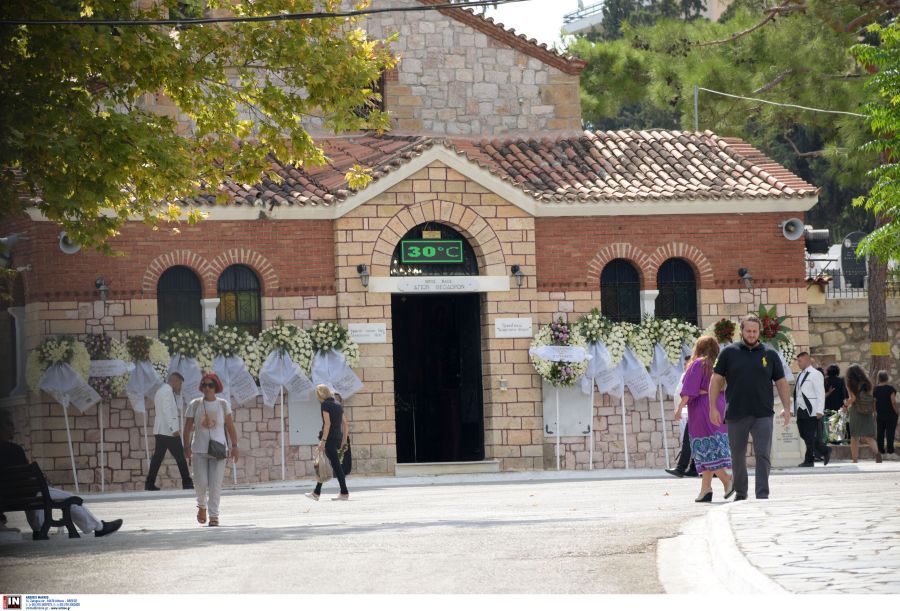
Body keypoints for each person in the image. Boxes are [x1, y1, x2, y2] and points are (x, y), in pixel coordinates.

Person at [709, 314, 792, 501]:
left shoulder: (770, 354)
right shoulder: (728, 353)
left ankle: (762, 494)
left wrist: (787, 408)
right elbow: (716, 380)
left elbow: (781, 382)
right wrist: (712, 407)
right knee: (738, 456)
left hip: (763, 414)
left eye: (755, 331)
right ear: (741, 331)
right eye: (748, 331)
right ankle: (741, 493)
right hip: (736, 413)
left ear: (759, 331)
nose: (752, 334)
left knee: (763, 454)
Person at [0, 410, 122, 537]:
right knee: (71, 499)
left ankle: (39, 529)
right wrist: (42, 480)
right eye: (9, 424)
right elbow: (27, 478)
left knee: (37, 495)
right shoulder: (15, 450)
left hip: (9, 497)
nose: (13, 427)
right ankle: (99, 527)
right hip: (28, 493)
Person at [675, 337, 733, 502]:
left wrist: (679, 407)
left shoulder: (699, 363)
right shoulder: (719, 364)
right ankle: (705, 489)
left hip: (703, 407)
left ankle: (727, 480)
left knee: (705, 447)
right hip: (720, 404)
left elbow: (689, 389)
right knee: (712, 444)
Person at [183, 373, 239, 526]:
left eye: (210, 385)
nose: (207, 388)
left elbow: (230, 426)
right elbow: (187, 428)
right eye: (204, 385)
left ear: (216, 387)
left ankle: (214, 515)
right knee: (201, 483)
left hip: (218, 450)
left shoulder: (223, 404)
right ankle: (202, 506)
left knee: (215, 485)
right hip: (199, 450)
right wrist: (186, 446)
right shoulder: (195, 404)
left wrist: (235, 446)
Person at [145, 372, 194, 491]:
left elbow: (168, 409)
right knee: (180, 457)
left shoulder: (161, 391)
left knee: (157, 458)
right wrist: (173, 429)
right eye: (180, 384)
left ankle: (149, 483)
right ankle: (187, 483)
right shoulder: (167, 392)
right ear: (175, 381)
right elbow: (166, 411)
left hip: (160, 430)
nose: (180, 387)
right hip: (168, 431)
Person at [305, 385, 349, 501]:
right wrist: (344, 441)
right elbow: (345, 424)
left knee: (335, 466)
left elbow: (327, 424)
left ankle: (344, 492)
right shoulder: (338, 404)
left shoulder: (325, 405)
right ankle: (316, 492)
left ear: (320, 394)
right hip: (337, 438)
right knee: (325, 463)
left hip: (329, 439)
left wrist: (323, 441)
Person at [793, 352, 831, 467]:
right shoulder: (799, 374)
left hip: (812, 410)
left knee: (809, 435)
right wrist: (792, 409)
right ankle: (825, 450)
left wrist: (820, 410)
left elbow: (820, 393)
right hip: (800, 409)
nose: (798, 363)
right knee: (803, 434)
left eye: (800, 361)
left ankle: (809, 460)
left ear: (806, 360)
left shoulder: (816, 374)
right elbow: (797, 393)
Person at [666, 356, 698, 478]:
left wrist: (680, 408)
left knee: (688, 439)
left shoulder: (693, 374)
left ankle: (681, 468)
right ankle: (694, 467)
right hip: (694, 410)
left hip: (695, 410)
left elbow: (687, 393)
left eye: (687, 363)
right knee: (695, 440)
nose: (685, 366)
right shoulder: (692, 374)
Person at [843, 365, 883, 463]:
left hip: (856, 410)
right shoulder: (867, 383)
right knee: (868, 436)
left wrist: (845, 405)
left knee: (854, 436)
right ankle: (877, 453)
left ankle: (855, 459)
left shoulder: (850, 383)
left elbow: (853, 398)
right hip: (867, 411)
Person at [874, 371, 898, 456]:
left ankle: (881, 451)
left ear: (879, 378)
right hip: (890, 414)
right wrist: (896, 411)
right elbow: (893, 402)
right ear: (887, 378)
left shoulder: (875, 389)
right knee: (890, 432)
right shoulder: (890, 389)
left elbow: (874, 402)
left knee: (880, 432)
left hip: (880, 414)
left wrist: (875, 411)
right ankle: (890, 451)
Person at [824, 364, 849, 440]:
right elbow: (845, 394)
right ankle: (838, 439)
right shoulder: (841, 381)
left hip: (827, 405)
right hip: (838, 405)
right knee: (838, 423)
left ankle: (829, 439)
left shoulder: (825, 381)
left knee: (828, 423)